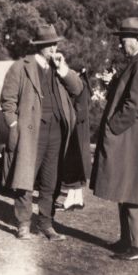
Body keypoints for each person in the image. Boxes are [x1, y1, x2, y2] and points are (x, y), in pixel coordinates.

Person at [0, 24, 83, 241]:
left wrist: (64, 68)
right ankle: (23, 224)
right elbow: (7, 101)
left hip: (57, 132)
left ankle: (46, 223)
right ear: (40, 47)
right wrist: (13, 126)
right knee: (24, 179)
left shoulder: (59, 67)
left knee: (51, 180)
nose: (54, 49)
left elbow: (78, 89)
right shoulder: (21, 67)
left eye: (55, 44)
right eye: (50, 45)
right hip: (30, 132)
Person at [91, 17, 138, 261]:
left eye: (124, 38)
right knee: (128, 187)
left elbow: (137, 104)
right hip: (135, 137)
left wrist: (113, 125)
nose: (121, 43)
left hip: (136, 138)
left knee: (135, 189)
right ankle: (130, 240)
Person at [55, 68, 92, 211]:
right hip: (79, 130)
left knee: (74, 165)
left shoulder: (80, 86)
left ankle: (71, 201)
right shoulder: (83, 84)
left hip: (76, 130)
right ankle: (78, 199)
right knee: (78, 166)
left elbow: (80, 112)